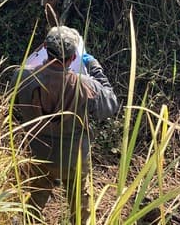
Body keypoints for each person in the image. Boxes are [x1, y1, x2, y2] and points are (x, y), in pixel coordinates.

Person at [10, 26, 119, 225]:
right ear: (73, 57)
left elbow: (11, 99)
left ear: (44, 47)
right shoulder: (86, 84)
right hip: (74, 157)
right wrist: (94, 66)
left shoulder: (22, 76)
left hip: (38, 152)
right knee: (80, 204)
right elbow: (110, 105)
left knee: (35, 196)